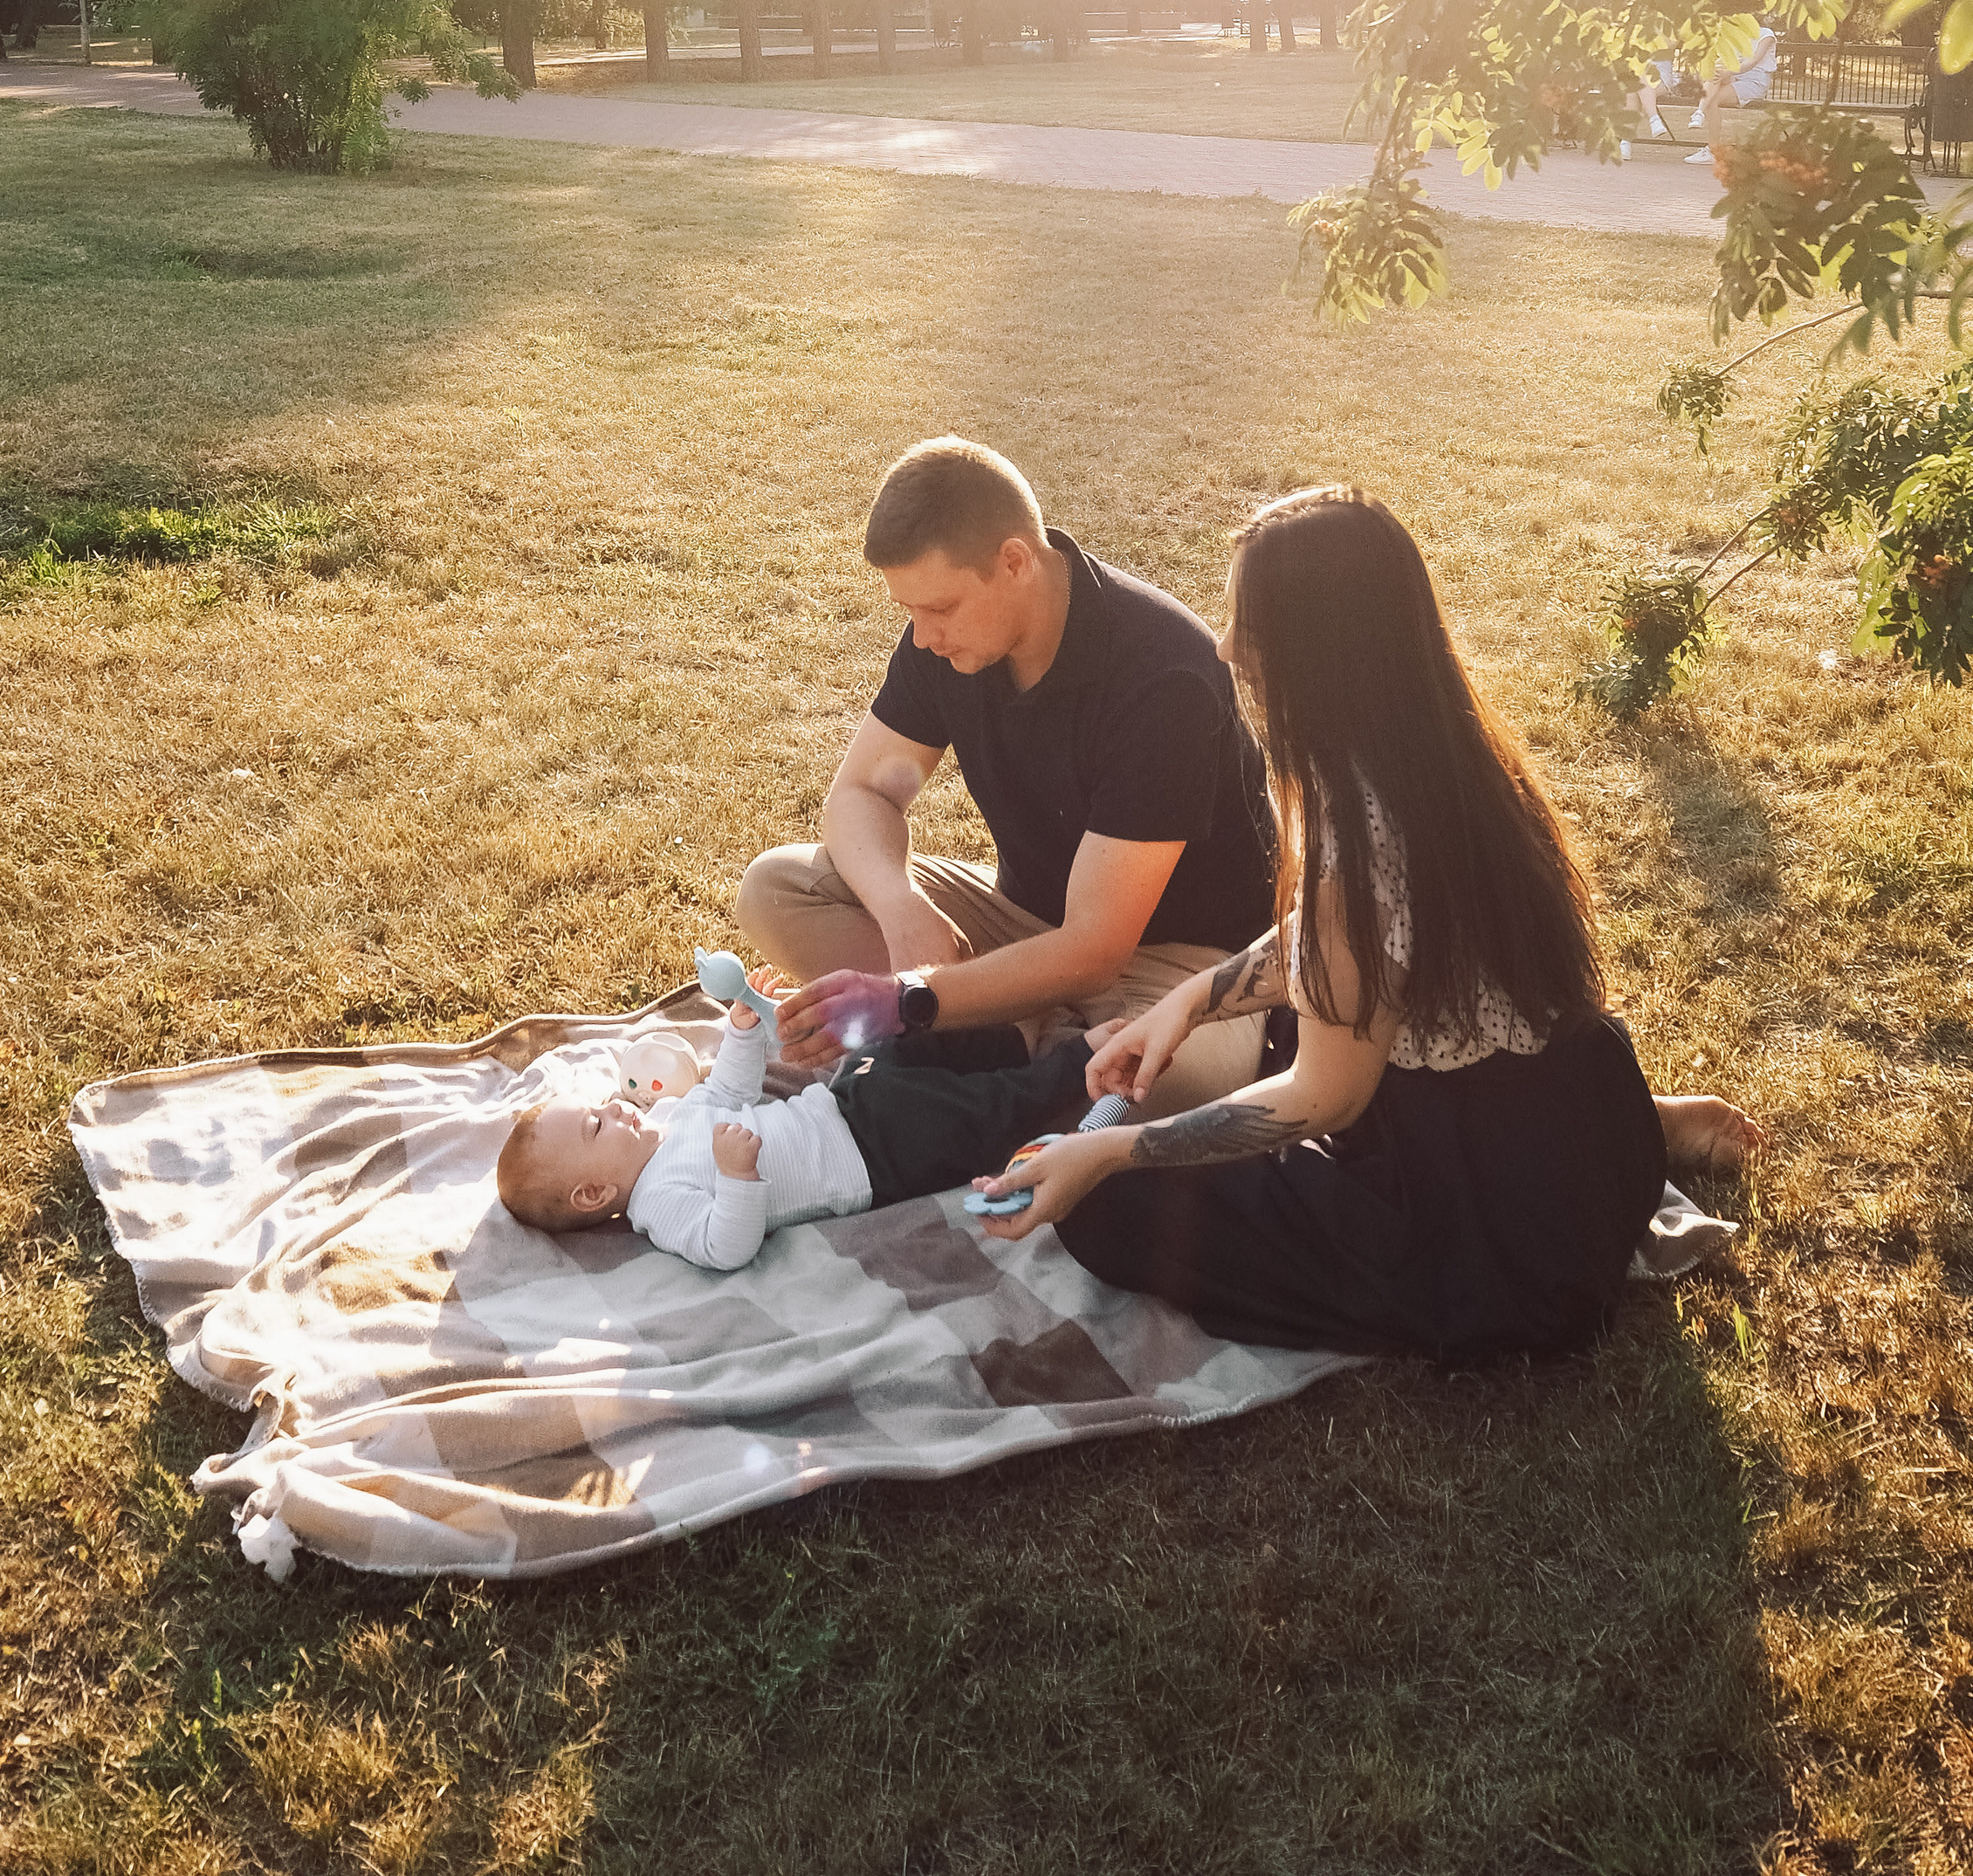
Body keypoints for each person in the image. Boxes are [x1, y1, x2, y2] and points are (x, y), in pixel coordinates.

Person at [966, 488, 1764, 1360]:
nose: (1226, 644)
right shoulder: (1435, 747)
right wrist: (1188, 1003)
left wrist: (1110, 1155)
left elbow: (1325, 1094)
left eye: (1249, 625)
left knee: (1112, 1211)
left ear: (1321, 649)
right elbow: (1337, 939)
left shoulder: (1364, 816)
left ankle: (1620, 1145)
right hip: (1564, 1106)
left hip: (1492, 1218)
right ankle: (1638, 1126)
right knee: (1256, 1053)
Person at [743, 439, 1275, 1113]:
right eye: (910, 611)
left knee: (1151, 1087)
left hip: (1178, 966)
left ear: (1015, 562)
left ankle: (1008, 1042)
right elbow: (861, 792)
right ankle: (1027, 1045)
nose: (924, 635)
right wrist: (901, 907)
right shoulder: (946, 644)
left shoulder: (1162, 673)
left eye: (939, 607)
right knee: (778, 887)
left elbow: (1096, 946)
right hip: (1022, 925)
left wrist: (914, 998)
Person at [497, 988, 1099, 1268]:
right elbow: (723, 1247)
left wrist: (740, 1030)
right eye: (597, 1126)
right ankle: (1082, 1062)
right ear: (594, 1193)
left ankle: (1014, 1037)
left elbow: (729, 1089)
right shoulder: (659, 1202)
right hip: (874, 1157)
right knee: (977, 1111)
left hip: (842, 1100)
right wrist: (737, 1177)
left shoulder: (666, 1116)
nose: (613, 1109)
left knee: (899, 1051)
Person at [1688, 16, 1778, 165]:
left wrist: (1729, 73)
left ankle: (1711, 146)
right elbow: (1726, 61)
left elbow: (1753, 62)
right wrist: (1721, 72)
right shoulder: (1736, 37)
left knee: (1712, 100)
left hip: (1754, 82)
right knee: (1715, 74)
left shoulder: (1766, 34)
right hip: (1735, 77)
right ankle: (1699, 115)